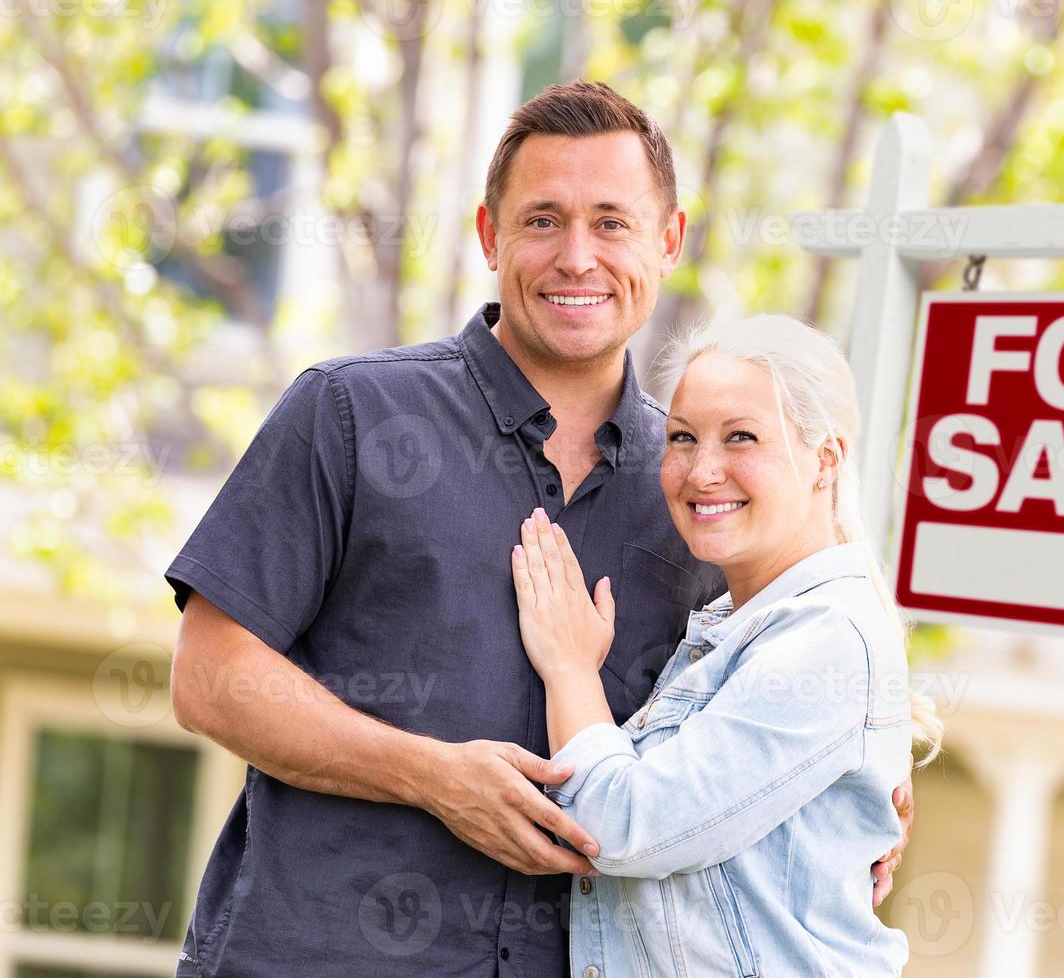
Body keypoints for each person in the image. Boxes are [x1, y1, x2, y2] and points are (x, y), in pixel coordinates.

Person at [165, 80, 913, 976]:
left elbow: (765, 721)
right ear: (490, 236)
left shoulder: (698, 495)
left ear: (667, 241)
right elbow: (212, 679)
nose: (577, 257)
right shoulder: (353, 413)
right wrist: (433, 778)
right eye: (543, 220)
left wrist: (857, 800)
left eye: (612, 222)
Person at [510, 313, 942, 976]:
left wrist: (570, 669)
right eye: (682, 438)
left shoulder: (829, 639)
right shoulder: (729, 627)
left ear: (824, 459)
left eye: (741, 438)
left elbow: (624, 827)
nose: (702, 471)